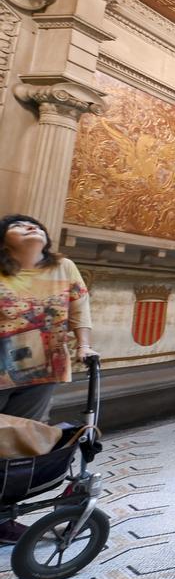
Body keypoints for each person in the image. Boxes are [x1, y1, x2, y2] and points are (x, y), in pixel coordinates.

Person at [0, 214, 97, 543]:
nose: (31, 228)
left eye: (37, 226)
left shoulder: (63, 267)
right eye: (19, 225)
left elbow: (79, 307)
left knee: (20, 445)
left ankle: (3, 515)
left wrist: (84, 345)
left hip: (43, 370)